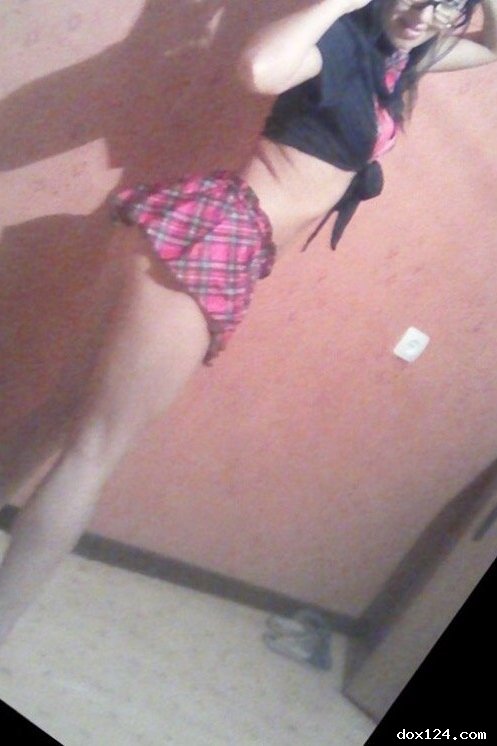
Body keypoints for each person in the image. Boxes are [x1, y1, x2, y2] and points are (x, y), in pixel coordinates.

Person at [0, 0, 495, 645]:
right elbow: (260, 68)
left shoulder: (403, 58)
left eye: (448, 2)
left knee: (68, 410)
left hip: (217, 237)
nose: (425, 12)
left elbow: (492, 47)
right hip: (215, 236)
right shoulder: (341, 38)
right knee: (92, 452)